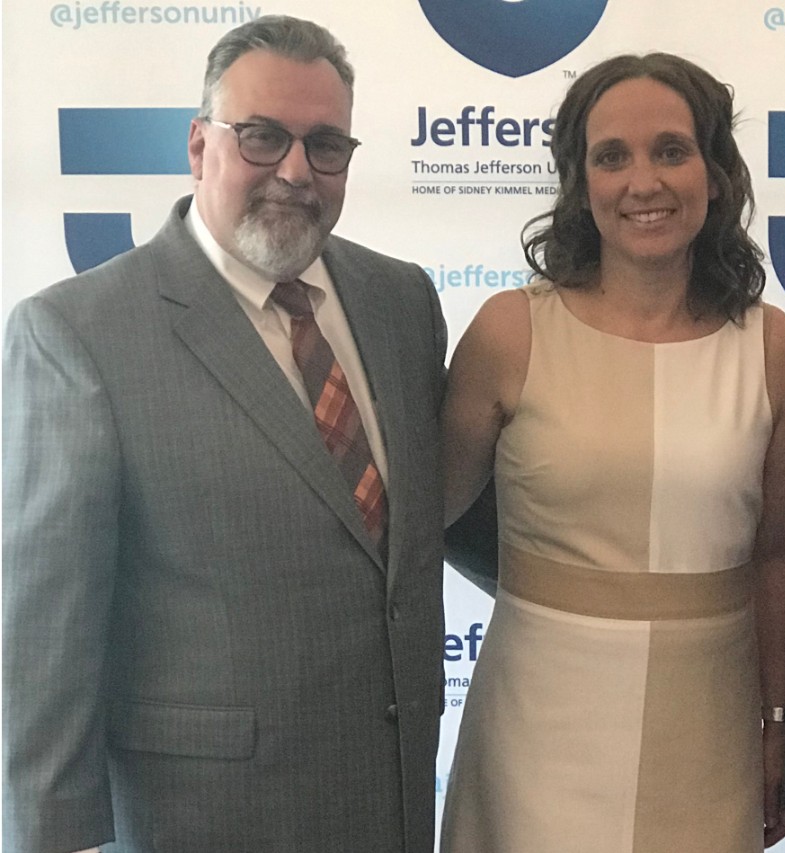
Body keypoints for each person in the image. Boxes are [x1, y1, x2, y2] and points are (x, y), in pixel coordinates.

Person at [3, 15, 453, 852]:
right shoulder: (80, 333)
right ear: (199, 145)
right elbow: (44, 645)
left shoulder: (401, 302)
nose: (294, 170)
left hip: (388, 805)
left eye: (325, 145)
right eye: (260, 136)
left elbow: (425, 526)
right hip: (205, 819)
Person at [437, 53, 785, 852]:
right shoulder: (510, 331)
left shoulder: (772, 346)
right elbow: (416, 524)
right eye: (612, 157)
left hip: (710, 728)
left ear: (715, 172)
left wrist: (779, 723)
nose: (644, 181)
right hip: (534, 728)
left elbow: (777, 557)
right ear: (581, 182)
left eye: (671, 150)